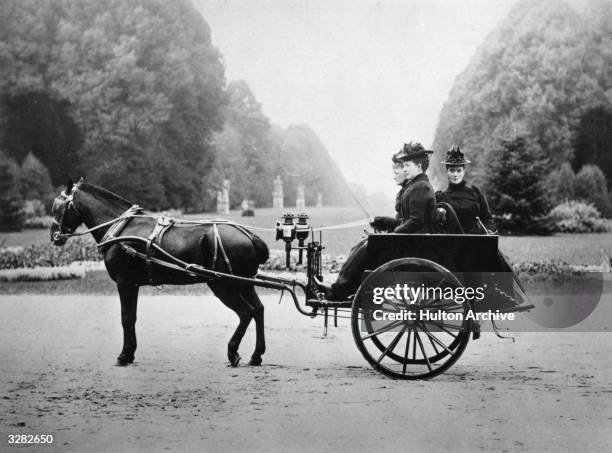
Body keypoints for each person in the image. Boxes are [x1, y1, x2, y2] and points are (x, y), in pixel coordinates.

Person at [320, 142, 435, 301]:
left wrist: (393, 234)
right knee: (361, 245)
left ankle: (339, 291)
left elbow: (415, 221)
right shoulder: (416, 186)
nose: (405, 168)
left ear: (420, 167)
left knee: (366, 248)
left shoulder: (421, 187)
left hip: (413, 245)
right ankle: (344, 287)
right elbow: (405, 220)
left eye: (408, 165)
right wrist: (385, 222)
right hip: (411, 241)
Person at [435, 144, 496, 234]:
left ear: (464, 171)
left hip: (475, 242)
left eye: (459, 170)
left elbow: (488, 219)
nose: (455, 174)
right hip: (451, 244)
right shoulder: (440, 198)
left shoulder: (475, 194)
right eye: (452, 170)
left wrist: (488, 230)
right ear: (447, 172)